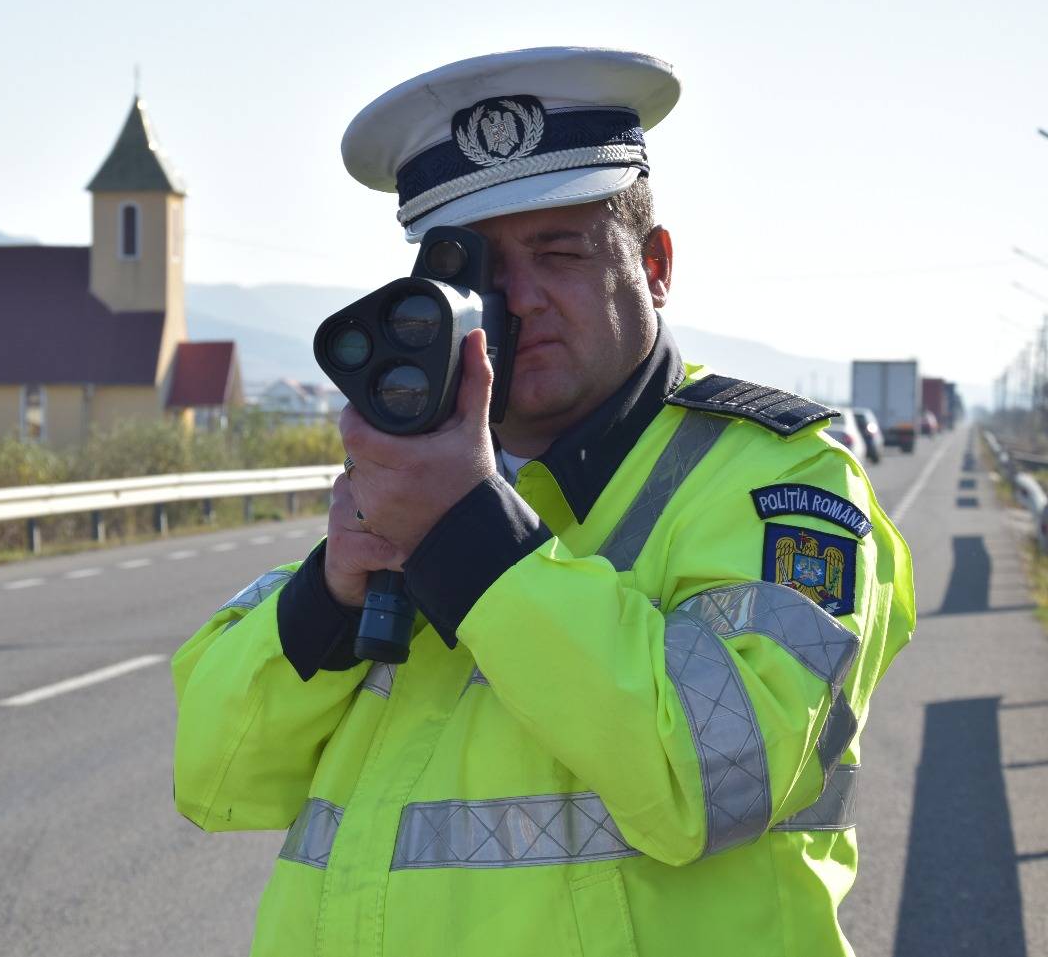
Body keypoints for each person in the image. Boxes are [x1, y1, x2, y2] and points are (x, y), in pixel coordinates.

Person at [171, 47, 915, 957]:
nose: (516, 301)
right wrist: (329, 595)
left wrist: (472, 538)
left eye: (559, 252)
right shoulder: (421, 485)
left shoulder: (780, 484)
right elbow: (213, 777)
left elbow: (711, 775)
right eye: (477, 270)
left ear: (655, 265)